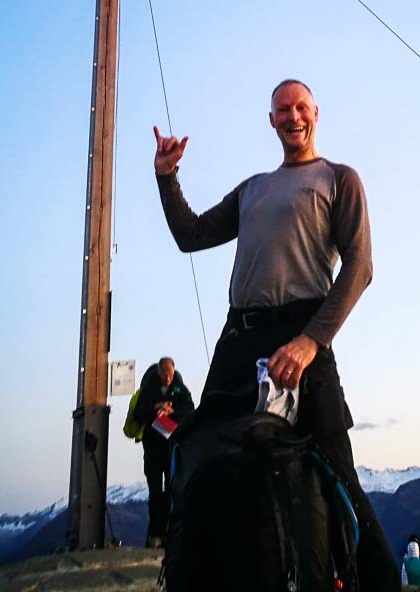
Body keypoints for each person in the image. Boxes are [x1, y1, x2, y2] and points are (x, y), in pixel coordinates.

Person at [153, 78, 400, 589]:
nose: (293, 117)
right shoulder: (253, 189)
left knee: (337, 469)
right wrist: (167, 177)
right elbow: (190, 235)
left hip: (303, 335)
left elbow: (360, 266)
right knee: (197, 456)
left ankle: (378, 581)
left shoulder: (339, 179)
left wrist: (311, 342)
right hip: (239, 339)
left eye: (301, 107)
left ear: (316, 114)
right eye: (283, 110)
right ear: (271, 121)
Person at [134, 356, 195, 546]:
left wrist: (172, 411)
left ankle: (169, 534)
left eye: (170, 373)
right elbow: (139, 413)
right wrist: (156, 408)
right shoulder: (149, 389)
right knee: (154, 493)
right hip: (153, 449)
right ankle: (154, 534)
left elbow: (190, 411)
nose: (167, 377)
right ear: (158, 372)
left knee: (171, 492)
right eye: (164, 373)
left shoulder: (180, 389)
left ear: (174, 371)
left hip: (172, 448)